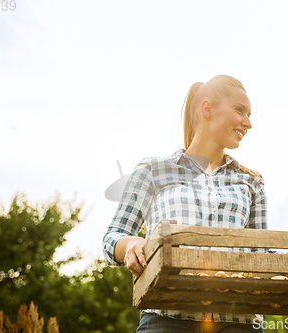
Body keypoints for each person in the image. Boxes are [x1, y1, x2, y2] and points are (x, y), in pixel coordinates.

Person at [102, 75, 267, 333]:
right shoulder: (153, 170)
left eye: (249, 114)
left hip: (238, 321)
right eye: (239, 110)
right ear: (207, 108)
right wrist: (131, 244)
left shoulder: (251, 182)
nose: (248, 123)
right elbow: (112, 237)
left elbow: (261, 252)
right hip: (167, 318)